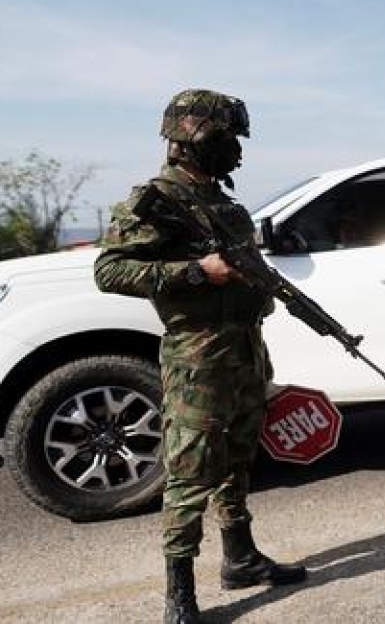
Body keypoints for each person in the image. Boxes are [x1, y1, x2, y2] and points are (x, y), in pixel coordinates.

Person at [95, 89, 305, 624]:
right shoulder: (156, 200)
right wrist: (194, 272)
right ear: (192, 137)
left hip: (243, 347)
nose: (236, 150)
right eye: (226, 138)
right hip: (198, 355)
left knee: (237, 457)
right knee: (191, 469)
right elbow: (109, 271)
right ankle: (179, 593)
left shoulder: (224, 203)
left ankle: (240, 557)